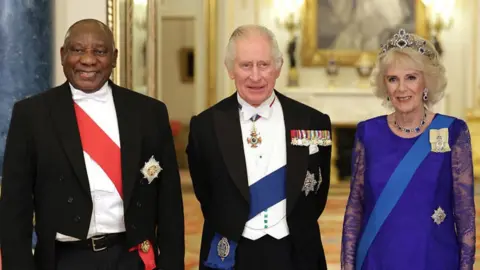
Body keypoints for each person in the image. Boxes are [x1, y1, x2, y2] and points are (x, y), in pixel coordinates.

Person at [0, 19, 184, 270]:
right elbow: (15, 209)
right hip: (62, 260)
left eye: (99, 51)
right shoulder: (32, 115)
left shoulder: (149, 113)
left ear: (114, 57)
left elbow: (170, 205)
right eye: (77, 50)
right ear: (63, 55)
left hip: (131, 258)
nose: (88, 60)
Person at [186, 24, 332, 270]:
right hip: (232, 255)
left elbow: (317, 193)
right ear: (230, 69)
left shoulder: (313, 121)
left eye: (264, 65)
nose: (255, 76)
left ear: (278, 67)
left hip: (295, 253)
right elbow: (206, 194)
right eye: (246, 65)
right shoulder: (205, 126)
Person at [341, 28, 476, 270]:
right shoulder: (368, 133)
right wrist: (347, 265)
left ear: (427, 82)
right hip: (377, 259)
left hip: (434, 258)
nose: (401, 88)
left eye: (411, 77)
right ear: (385, 85)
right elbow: (355, 207)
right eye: (393, 79)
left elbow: (465, 213)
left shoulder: (453, 131)